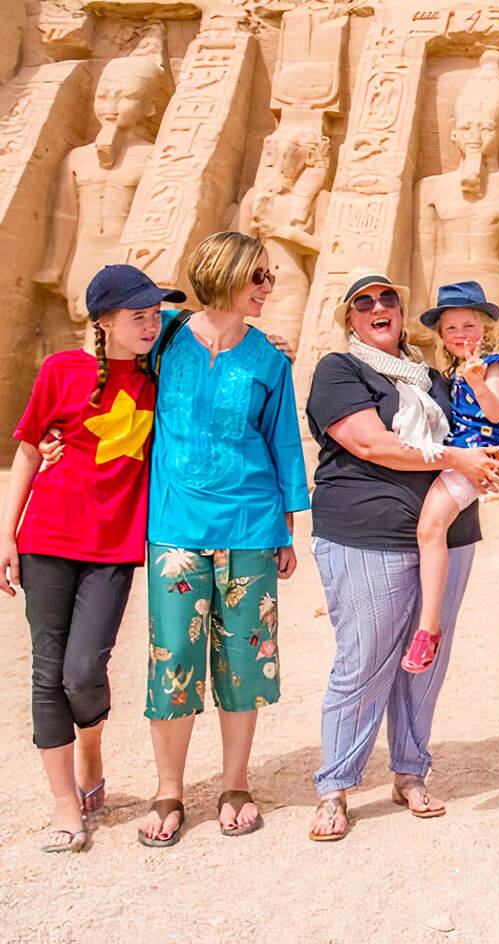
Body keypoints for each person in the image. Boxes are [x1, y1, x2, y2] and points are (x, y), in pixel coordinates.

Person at [305, 270, 499, 841]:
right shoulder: (340, 369)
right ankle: (335, 785)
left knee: (427, 657)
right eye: (364, 302)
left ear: (400, 312)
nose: (378, 307)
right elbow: (370, 442)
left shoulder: (435, 377)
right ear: (350, 319)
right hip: (366, 532)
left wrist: (490, 460)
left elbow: (479, 434)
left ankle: (410, 771)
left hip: (449, 534)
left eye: (388, 299)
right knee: (365, 659)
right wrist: (458, 458)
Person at [136, 232, 310, 846]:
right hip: (175, 529)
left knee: (245, 663)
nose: (268, 287)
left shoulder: (269, 359)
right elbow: (105, 349)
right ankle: (169, 790)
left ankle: (236, 783)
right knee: (173, 662)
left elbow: (282, 439)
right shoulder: (164, 337)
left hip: (250, 528)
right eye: (257, 276)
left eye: (270, 276)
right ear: (223, 273)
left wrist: (286, 526)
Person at [1, 265, 182, 852]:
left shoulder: (162, 376)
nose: (151, 325)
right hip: (47, 538)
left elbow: (203, 332)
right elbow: (30, 452)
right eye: (138, 315)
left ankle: (92, 746)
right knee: (47, 671)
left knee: (83, 671)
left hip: (113, 548)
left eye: (155, 314)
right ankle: (65, 804)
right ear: (103, 321)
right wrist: (6, 536)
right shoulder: (61, 369)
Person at [402, 281, 499, 673]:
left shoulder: (493, 365)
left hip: (476, 458)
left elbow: (496, 411)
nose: (460, 334)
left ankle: (428, 628)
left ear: (485, 328)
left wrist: (476, 381)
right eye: (451, 328)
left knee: (430, 528)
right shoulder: (455, 370)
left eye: (468, 325)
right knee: (430, 528)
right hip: (462, 457)